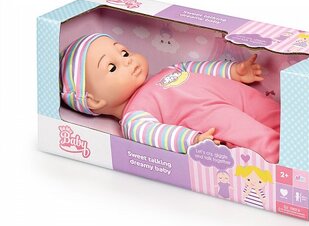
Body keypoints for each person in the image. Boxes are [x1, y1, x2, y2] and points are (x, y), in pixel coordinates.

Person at [60, 33, 281, 163]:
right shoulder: (134, 117)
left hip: (237, 94)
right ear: (94, 101)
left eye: (124, 53)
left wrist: (233, 71)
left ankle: (297, 133)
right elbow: (156, 135)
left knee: (273, 113)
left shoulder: (168, 70)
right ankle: (285, 161)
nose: (127, 60)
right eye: (112, 67)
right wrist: (192, 140)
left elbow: (196, 67)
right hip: (215, 117)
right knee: (252, 135)